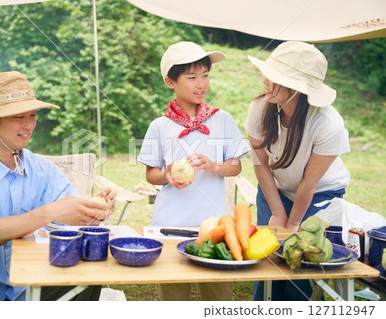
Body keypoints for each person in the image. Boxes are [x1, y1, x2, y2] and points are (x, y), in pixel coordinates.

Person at [0, 71, 116, 301]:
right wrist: (49, 212)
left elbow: (72, 213)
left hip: (28, 282)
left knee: (86, 277)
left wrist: (96, 209)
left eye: (32, 115)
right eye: (19, 116)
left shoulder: (43, 170)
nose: (29, 124)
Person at [138, 41, 249, 300]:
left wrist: (212, 166)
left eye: (206, 75)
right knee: (174, 298)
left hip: (212, 226)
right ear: (170, 82)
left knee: (218, 296)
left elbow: (236, 167)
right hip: (169, 225)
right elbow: (150, 173)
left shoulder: (222, 120)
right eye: (192, 77)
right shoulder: (159, 126)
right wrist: (166, 176)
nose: (201, 84)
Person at [244, 41, 350, 300]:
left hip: (318, 194)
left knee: (299, 263)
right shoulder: (259, 109)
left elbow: (309, 183)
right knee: (266, 261)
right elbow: (260, 163)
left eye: (274, 78)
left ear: (297, 89)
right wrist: (277, 211)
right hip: (274, 188)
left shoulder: (328, 123)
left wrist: (292, 224)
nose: (265, 81)